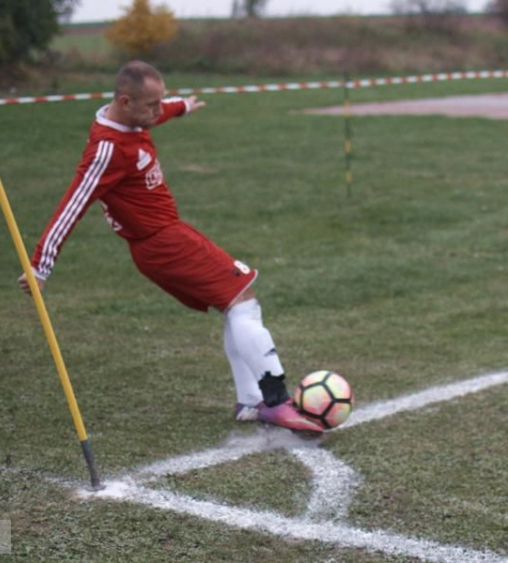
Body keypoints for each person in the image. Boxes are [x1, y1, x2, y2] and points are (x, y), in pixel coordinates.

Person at [19, 60, 324, 435]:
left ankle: (250, 402)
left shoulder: (130, 120)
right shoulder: (107, 150)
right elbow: (72, 205)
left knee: (235, 302)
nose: (157, 111)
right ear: (125, 101)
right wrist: (39, 267)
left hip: (166, 237)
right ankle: (275, 401)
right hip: (163, 242)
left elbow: (155, 115)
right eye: (152, 105)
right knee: (243, 299)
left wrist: (181, 107)